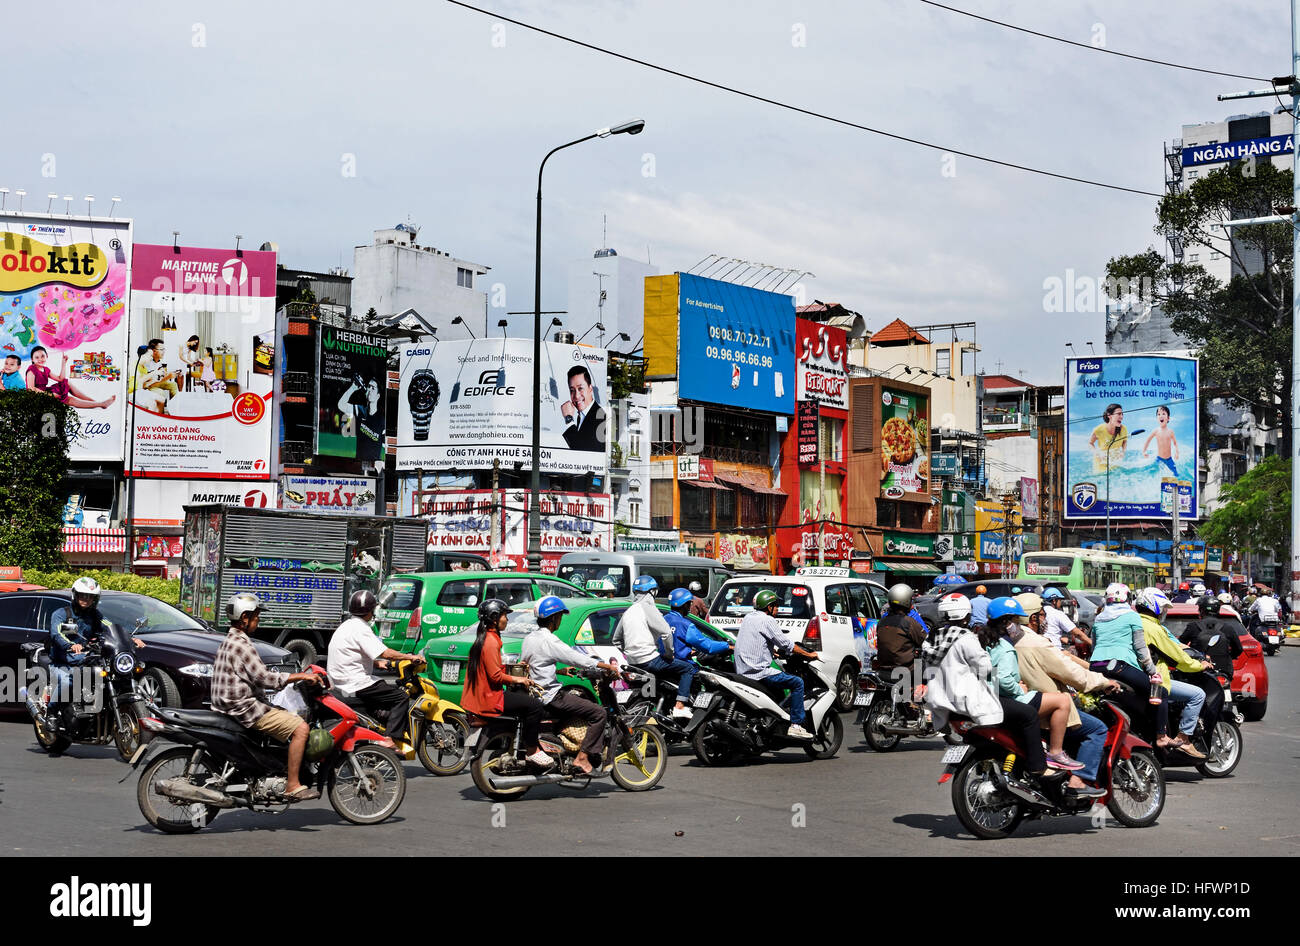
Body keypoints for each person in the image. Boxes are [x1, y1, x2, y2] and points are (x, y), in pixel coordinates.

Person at [211, 593, 323, 801]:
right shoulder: (242, 645)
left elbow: (252, 677)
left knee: (282, 713)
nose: (258, 621)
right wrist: (299, 676)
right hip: (244, 709)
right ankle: (293, 785)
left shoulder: (229, 640)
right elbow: (265, 679)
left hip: (230, 707)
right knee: (301, 728)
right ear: (245, 618)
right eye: (256, 616)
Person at [1012, 594, 1116, 798]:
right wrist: (1103, 683)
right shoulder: (1037, 643)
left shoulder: (1010, 640)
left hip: (1020, 706)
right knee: (1097, 729)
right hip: (1047, 710)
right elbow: (1072, 674)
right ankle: (1079, 782)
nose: (1045, 620)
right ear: (1033, 618)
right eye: (1042, 615)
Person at [978, 598, 1083, 772]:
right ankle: (1056, 753)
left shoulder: (985, 641)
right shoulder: (1004, 647)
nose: (1019, 626)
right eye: (1017, 621)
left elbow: (992, 674)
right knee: (1063, 701)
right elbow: (1003, 678)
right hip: (1009, 697)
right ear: (1006, 622)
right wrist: (1018, 687)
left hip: (991, 695)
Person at [520, 596, 619, 775]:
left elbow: (533, 665)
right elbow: (576, 657)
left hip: (535, 693)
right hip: (551, 696)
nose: (560, 620)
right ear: (553, 618)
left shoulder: (530, 638)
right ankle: (582, 757)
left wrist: (559, 671)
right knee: (599, 713)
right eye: (559, 617)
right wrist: (604, 666)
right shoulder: (549, 640)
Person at [326, 590, 426, 749]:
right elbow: (386, 653)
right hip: (356, 682)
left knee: (383, 692)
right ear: (371, 611)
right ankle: (390, 738)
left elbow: (353, 656)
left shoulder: (346, 625)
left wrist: (378, 664)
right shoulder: (362, 628)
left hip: (339, 681)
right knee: (400, 696)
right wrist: (410, 657)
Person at [462, 598, 553, 769]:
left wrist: (517, 670)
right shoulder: (490, 641)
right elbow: (495, 676)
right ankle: (532, 750)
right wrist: (519, 679)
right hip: (490, 698)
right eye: (505, 616)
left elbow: (492, 669)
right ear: (495, 618)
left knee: (522, 698)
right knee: (535, 706)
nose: (507, 620)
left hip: (482, 696)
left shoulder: (485, 638)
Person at [47, 577, 144, 727]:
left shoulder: (95, 615)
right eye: (83, 595)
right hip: (64, 660)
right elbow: (57, 633)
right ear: (75, 595)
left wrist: (130, 639)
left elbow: (110, 626)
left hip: (86, 658)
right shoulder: (61, 614)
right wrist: (70, 645)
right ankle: (51, 714)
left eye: (90, 596)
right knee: (68, 681)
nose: (86, 599)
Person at [1088, 582, 1171, 744]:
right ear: (1127, 599)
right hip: (1120, 667)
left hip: (1096, 667)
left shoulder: (1099, 618)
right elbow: (1140, 648)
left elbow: (1094, 646)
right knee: (1159, 692)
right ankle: (1161, 736)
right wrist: (1153, 671)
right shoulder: (1132, 616)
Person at [1134, 588, 1209, 759]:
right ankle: (1184, 739)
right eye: (1164, 608)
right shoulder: (1153, 628)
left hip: (1134, 675)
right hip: (1156, 679)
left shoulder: (1134, 621)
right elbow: (1177, 657)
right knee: (1198, 694)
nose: (1165, 612)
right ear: (1155, 607)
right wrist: (1199, 665)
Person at [733, 589, 818, 739]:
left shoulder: (748, 618)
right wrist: (808, 654)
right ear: (769, 606)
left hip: (742, 670)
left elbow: (756, 641)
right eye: (776, 605)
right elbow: (787, 644)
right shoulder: (768, 620)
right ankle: (796, 725)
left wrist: (773, 652)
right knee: (797, 683)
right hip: (759, 672)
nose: (778, 609)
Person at [922, 593, 1004, 736]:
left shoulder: (932, 637)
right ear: (966, 617)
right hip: (966, 703)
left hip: (939, 704)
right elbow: (985, 669)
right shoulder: (966, 639)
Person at [612, 575, 694, 720]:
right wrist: (669, 654)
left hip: (633, 663)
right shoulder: (648, 608)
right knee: (687, 669)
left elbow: (616, 640)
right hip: (650, 661)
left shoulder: (628, 612)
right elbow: (666, 632)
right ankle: (680, 706)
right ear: (652, 592)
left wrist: (631, 653)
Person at [25, 346, 115, 409]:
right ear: (32, 360)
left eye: (42, 356)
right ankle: (99, 404)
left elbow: (61, 379)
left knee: (66, 383)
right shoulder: (31, 370)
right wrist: (51, 395)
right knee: (68, 399)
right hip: (36, 397)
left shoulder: (46, 369)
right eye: (37, 357)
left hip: (45, 392)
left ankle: (94, 402)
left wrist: (63, 363)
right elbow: (31, 389)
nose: (40, 359)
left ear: (47, 356)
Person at [1179, 595, 1243, 681]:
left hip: (1197, 671)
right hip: (1224, 671)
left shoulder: (1193, 627)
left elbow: (1179, 645)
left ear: (1201, 610)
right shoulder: (1227, 628)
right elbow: (1238, 649)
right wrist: (1227, 656)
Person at [665, 587, 732, 663]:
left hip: (666, 663)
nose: (690, 606)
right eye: (689, 603)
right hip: (682, 665)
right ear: (685, 605)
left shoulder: (663, 619)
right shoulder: (686, 625)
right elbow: (707, 646)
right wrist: (727, 646)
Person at [875, 583, 927, 673]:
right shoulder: (909, 622)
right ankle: (918, 686)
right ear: (906, 601)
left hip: (883, 669)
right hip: (906, 670)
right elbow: (925, 641)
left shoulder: (881, 622)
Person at [560, 364, 606, 452]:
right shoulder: (580, 416)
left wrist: (568, 420)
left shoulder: (601, 418)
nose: (576, 396)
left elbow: (581, 451)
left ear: (590, 389)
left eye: (580, 388)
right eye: (572, 390)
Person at [133, 339, 182, 413]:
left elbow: (159, 375)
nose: (164, 351)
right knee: (160, 392)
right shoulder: (146, 362)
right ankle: (160, 415)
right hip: (149, 385)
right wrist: (168, 377)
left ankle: (174, 409)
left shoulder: (159, 361)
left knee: (173, 385)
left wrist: (168, 374)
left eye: (164, 349)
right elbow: (148, 383)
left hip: (155, 382)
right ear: (154, 351)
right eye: (161, 349)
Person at [1041, 587, 1092, 654]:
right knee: (1082, 664)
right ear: (1054, 601)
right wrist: (1091, 643)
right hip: (1055, 651)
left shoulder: (1039, 612)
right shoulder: (1057, 614)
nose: (1060, 602)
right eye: (1059, 600)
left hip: (1041, 649)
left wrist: (1060, 639)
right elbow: (1077, 633)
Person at [1141, 404, 1180, 478]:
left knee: (1175, 472)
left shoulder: (1170, 431)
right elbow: (1148, 440)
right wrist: (1144, 451)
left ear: (1168, 418)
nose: (1161, 416)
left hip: (1169, 459)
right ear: (1157, 418)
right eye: (1158, 414)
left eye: (1163, 414)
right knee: (1153, 473)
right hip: (1159, 458)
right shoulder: (1156, 431)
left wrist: (1177, 452)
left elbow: (1175, 443)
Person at [1088, 402, 1128, 471]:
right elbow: (1090, 443)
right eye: (1118, 414)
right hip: (1101, 464)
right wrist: (1098, 454)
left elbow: (1124, 441)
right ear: (1109, 415)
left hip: (1115, 463)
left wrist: (1122, 452)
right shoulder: (1099, 429)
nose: (1121, 416)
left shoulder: (1123, 429)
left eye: (1122, 414)